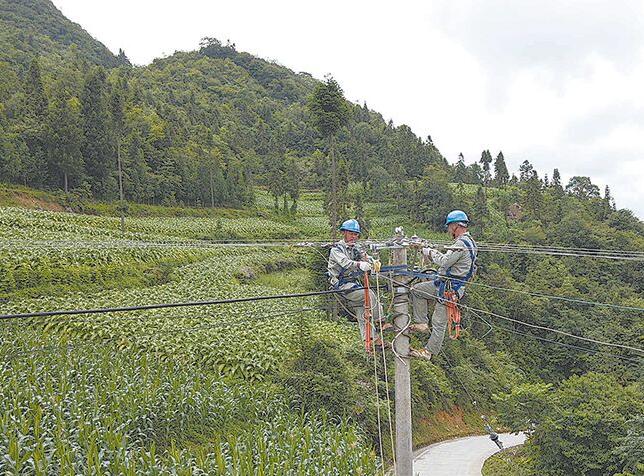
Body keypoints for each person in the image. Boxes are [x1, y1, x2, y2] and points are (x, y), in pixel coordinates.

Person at [408, 210, 478, 360]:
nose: (448, 230)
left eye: (449, 227)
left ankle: (428, 352)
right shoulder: (469, 242)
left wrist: (430, 252)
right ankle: (421, 323)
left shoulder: (461, 243)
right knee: (417, 291)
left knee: (439, 322)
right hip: (444, 284)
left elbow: (445, 261)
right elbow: (450, 258)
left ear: (455, 226)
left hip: (450, 289)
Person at [327, 219, 384, 344]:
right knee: (369, 295)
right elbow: (345, 263)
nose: (354, 237)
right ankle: (381, 321)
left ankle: (371, 340)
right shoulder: (336, 249)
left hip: (353, 285)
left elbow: (364, 256)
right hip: (341, 285)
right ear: (344, 233)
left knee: (362, 309)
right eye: (351, 234)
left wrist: (372, 261)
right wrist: (360, 265)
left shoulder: (354, 248)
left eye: (356, 234)